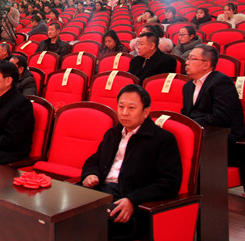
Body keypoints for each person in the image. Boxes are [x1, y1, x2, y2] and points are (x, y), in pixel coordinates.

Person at [81, 84, 182, 240]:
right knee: (63, 210)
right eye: (121, 107)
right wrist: (90, 174)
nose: (124, 113)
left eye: (131, 108)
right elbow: (94, 160)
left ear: (145, 112)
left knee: (84, 224)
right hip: (100, 191)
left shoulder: (162, 139)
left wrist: (133, 200)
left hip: (128, 200)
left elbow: (169, 183)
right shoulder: (113, 133)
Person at [181, 45, 245, 193]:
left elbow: (221, 117)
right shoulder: (188, 86)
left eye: (192, 59)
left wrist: (193, 124)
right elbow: (186, 113)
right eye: (187, 58)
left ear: (206, 64)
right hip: (202, 134)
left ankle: (200, 199)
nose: (186, 62)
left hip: (225, 139)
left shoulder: (221, 82)